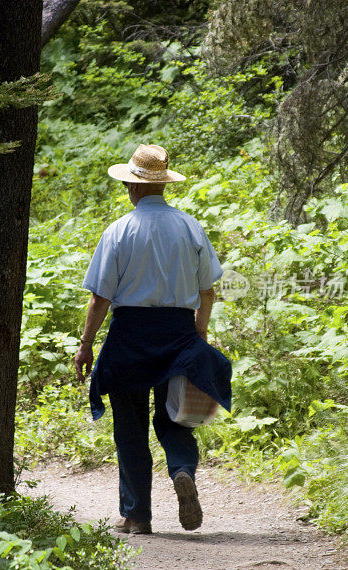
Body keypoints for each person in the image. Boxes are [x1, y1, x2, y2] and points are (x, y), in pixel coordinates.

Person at [74, 144, 232, 535]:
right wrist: (199, 331)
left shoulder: (119, 231)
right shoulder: (190, 226)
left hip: (129, 336)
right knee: (176, 417)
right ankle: (181, 470)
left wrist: (86, 343)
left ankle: (137, 516)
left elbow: (100, 297)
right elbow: (207, 289)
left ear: (131, 186)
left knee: (129, 427)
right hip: (178, 332)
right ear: (164, 186)